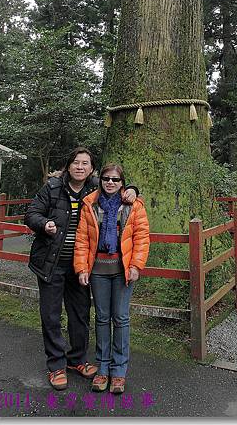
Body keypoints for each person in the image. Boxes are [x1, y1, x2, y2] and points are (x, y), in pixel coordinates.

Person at [24, 147, 139, 391]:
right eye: (75, 162)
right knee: (51, 315)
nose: (80, 167)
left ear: (91, 169)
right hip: (51, 263)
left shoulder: (94, 188)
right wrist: (44, 224)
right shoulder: (53, 188)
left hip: (82, 266)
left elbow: (118, 183)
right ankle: (56, 365)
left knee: (80, 314)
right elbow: (31, 213)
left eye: (85, 163)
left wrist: (133, 190)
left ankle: (77, 359)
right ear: (68, 165)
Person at [74, 163, 150, 394]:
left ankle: (119, 371)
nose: (110, 183)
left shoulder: (133, 205)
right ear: (100, 180)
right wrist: (81, 268)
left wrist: (137, 265)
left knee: (121, 318)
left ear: (122, 183)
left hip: (122, 269)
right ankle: (103, 368)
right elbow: (82, 238)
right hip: (97, 270)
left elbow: (142, 237)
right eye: (106, 178)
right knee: (102, 318)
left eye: (115, 180)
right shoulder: (90, 204)